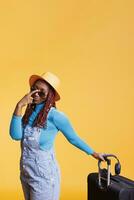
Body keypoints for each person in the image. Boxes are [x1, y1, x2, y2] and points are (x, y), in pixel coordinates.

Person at [9, 72, 105, 200]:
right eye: (34, 89)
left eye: (41, 92)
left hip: (44, 177)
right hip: (26, 173)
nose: (36, 94)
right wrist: (19, 105)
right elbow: (15, 135)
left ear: (50, 95)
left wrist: (94, 153)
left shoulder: (56, 116)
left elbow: (73, 138)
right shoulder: (28, 114)